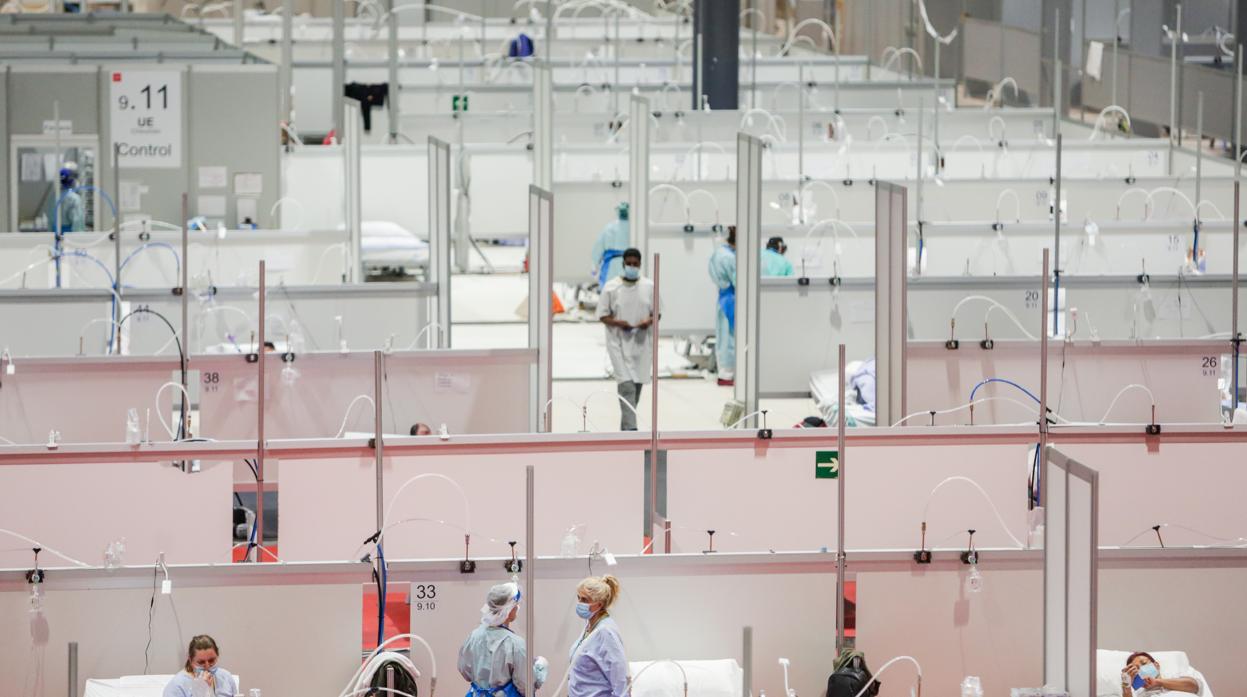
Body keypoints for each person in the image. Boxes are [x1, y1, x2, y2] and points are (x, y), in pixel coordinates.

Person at [596, 248, 657, 431]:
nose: (632, 266)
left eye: (635, 264)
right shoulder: (611, 287)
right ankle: (632, 432)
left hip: (641, 346)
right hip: (618, 345)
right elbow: (602, 314)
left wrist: (648, 321)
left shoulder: (649, 287)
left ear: (640, 264)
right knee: (627, 388)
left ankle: (625, 434)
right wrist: (618, 323)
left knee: (635, 392)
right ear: (623, 264)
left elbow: (657, 313)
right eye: (628, 263)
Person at [458, 582, 547, 697]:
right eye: (516, 606)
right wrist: (540, 669)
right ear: (509, 610)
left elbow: (464, 670)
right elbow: (526, 685)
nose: (517, 608)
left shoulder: (473, 636)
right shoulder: (515, 644)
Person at [568, 576, 627, 697]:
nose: (579, 603)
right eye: (579, 598)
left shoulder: (606, 632)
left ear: (599, 605)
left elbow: (620, 680)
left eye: (585, 600)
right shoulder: (590, 625)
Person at [707, 226, 737, 386]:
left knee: (724, 336)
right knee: (730, 338)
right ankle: (727, 373)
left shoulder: (719, 253)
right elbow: (739, 279)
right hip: (732, 299)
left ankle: (725, 372)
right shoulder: (730, 258)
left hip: (724, 298)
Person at [163, 635, 238, 697]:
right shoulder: (177, 686)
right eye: (201, 662)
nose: (207, 666)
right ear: (190, 660)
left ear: (217, 656)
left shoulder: (226, 677)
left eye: (211, 660)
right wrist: (202, 688)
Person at [1121, 652, 1202, 696]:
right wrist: (1126, 687)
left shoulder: (1175, 677)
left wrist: (1158, 682)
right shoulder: (1139, 694)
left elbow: (1194, 686)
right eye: (1136, 669)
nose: (1141, 669)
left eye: (1144, 663)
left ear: (1156, 665)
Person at [590, 203, 630, 288]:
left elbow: (597, 250)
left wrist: (594, 268)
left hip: (610, 268)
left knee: (609, 294)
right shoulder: (634, 227)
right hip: (629, 265)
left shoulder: (609, 227)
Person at [48, 163, 85, 233]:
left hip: (54, 236)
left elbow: (49, 222)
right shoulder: (74, 199)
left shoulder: (53, 198)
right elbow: (77, 225)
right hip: (69, 237)